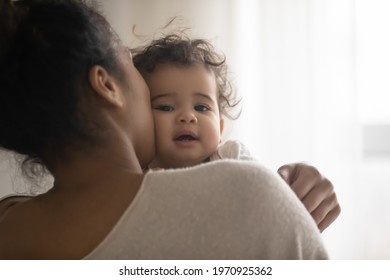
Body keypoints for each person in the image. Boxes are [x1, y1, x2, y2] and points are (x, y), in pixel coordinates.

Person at [0, 0, 328, 259]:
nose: (186, 117)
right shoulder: (246, 192)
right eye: (130, 65)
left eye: (201, 106)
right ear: (106, 85)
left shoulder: (11, 229)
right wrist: (284, 202)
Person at [132, 34, 341, 232]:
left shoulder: (229, 156)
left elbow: (271, 195)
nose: (188, 116)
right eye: (166, 107)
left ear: (220, 129)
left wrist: (293, 183)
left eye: (202, 108)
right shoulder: (135, 177)